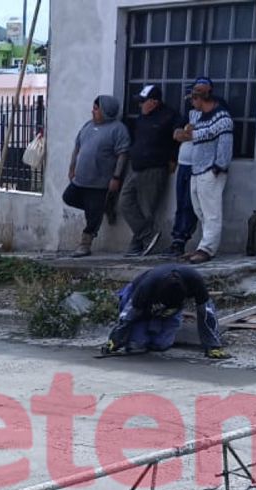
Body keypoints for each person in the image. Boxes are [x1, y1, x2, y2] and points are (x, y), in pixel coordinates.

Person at [99, 263, 230, 359]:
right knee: (137, 345)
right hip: (137, 300)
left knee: (161, 345)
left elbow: (207, 313)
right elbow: (128, 315)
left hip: (169, 309)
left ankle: (158, 328)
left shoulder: (195, 281)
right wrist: (115, 341)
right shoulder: (147, 286)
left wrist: (213, 346)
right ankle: (138, 332)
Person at [62, 94, 130, 258]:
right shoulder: (88, 126)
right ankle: (101, 208)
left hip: (99, 182)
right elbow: (77, 148)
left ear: (106, 111)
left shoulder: (117, 129)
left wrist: (116, 177)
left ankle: (85, 244)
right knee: (68, 197)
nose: (93, 111)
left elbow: (122, 154)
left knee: (93, 216)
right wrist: (72, 168)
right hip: (81, 179)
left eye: (96, 108)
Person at [121, 84, 178, 256]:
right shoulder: (141, 119)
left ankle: (138, 244)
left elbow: (178, 138)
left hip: (154, 169)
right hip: (136, 167)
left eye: (143, 102)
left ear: (154, 102)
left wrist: (173, 159)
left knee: (147, 208)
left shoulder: (169, 117)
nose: (140, 105)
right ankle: (147, 235)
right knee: (125, 202)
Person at [183, 90, 234, 264]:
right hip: (197, 170)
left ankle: (207, 249)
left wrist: (218, 167)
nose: (191, 104)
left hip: (210, 170)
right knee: (200, 210)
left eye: (193, 100)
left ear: (200, 99)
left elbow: (225, 144)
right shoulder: (200, 117)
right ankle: (204, 245)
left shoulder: (222, 118)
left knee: (212, 212)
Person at [167, 78, 213, 258]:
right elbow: (178, 134)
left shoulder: (213, 112)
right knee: (181, 203)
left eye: (198, 95)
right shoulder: (189, 112)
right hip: (184, 163)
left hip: (200, 165)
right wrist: (186, 133)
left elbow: (198, 133)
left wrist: (190, 133)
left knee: (193, 204)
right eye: (193, 95)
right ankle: (177, 240)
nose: (193, 99)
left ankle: (188, 241)